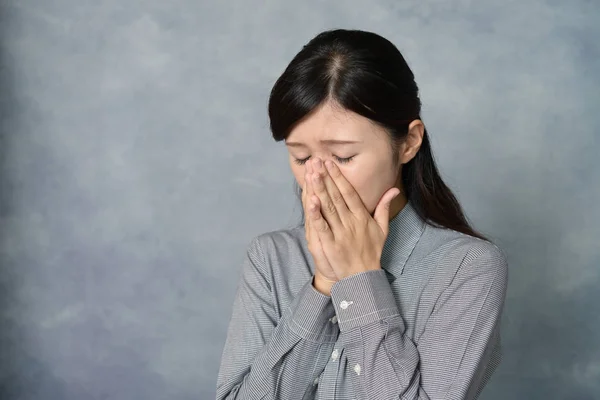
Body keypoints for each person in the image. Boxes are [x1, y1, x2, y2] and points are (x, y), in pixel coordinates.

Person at [216, 29, 508, 400]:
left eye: (343, 156)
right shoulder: (271, 257)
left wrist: (359, 278)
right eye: (301, 157)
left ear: (409, 142)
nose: (317, 177)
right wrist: (323, 283)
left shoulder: (467, 268)